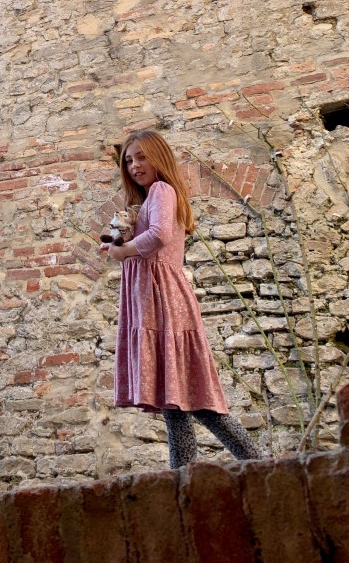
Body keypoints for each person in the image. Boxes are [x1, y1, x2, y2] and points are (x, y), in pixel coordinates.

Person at [101, 129, 261, 469]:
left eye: (142, 157)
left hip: (163, 301)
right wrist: (116, 245)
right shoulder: (146, 201)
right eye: (128, 160)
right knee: (172, 401)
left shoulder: (162, 190)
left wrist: (124, 251)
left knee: (195, 398)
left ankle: (260, 465)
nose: (134, 165)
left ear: (159, 158)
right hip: (152, 301)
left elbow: (159, 235)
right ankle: (184, 479)